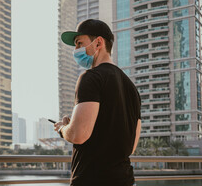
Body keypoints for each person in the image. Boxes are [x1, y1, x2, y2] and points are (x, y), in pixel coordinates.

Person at [55, 19, 142, 186]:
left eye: (79, 43)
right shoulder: (132, 88)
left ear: (98, 43)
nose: (76, 50)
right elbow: (130, 147)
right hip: (126, 181)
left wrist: (63, 128)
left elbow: (79, 135)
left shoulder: (91, 78)